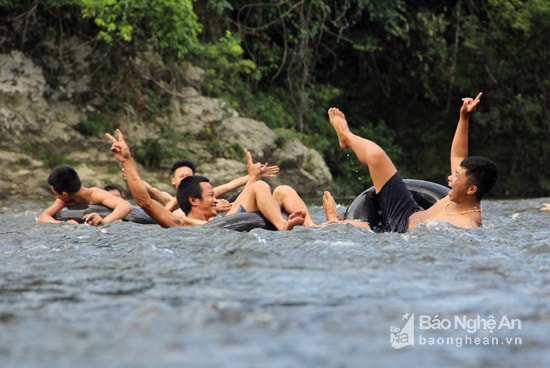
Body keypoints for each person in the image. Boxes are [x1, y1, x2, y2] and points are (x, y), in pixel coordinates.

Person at [323, 92, 498, 232]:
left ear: (472, 189)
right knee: (376, 155)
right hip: (407, 212)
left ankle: (335, 221)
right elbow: (457, 156)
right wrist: (464, 118)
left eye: (457, 176)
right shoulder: (459, 194)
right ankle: (346, 136)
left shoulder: (466, 224)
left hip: (402, 234)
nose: (450, 179)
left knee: (355, 227)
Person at [106, 129, 307, 230]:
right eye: (210, 195)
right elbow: (145, 202)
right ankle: (282, 224)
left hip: (232, 223)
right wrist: (128, 160)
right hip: (216, 233)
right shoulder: (183, 222)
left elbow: (243, 196)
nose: (215, 199)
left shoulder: (222, 217)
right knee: (261, 185)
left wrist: (252, 176)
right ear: (193, 200)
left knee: (282, 190)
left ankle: (317, 225)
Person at [37, 165, 133, 226]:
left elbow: (125, 206)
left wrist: (104, 221)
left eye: (56, 194)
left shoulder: (95, 194)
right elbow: (43, 217)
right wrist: (63, 224)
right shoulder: (63, 200)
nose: (56, 198)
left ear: (65, 194)